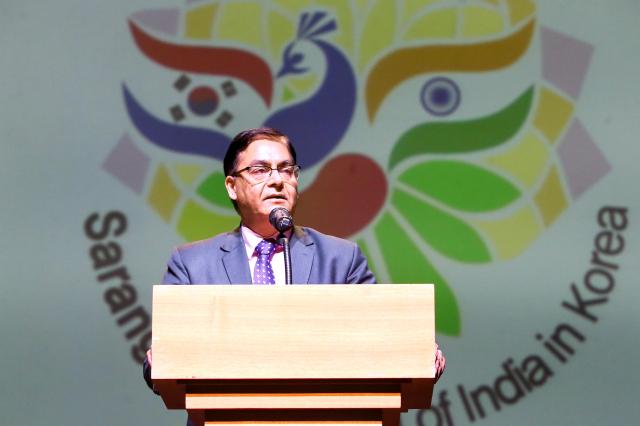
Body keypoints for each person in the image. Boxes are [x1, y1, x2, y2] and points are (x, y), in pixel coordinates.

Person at [143, 127, 445, 406]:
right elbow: (166, 357)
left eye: (287, 170)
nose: (277, 180)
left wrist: (415, 350)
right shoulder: (193, 263)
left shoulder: (341, 258)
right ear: (232, 186)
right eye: (260, 170)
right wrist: (159, 361)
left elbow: (383, 337)